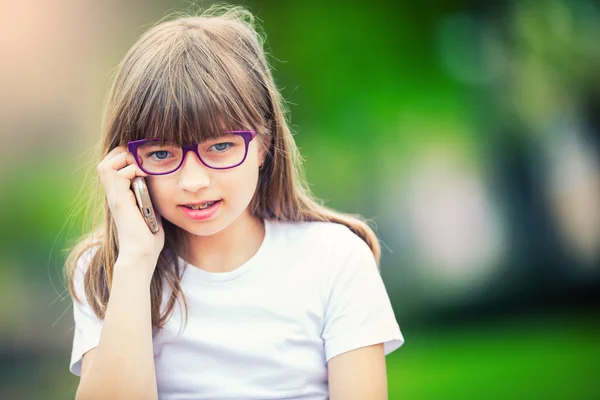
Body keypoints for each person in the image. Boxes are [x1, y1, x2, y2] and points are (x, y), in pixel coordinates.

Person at [65, 5, 404, 399]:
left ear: (264, 143)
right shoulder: (108, 271)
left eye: (221, 146)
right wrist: (136, 261)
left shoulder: (335, 259)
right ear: (126, 164)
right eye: (161, 154)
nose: (193, 182)